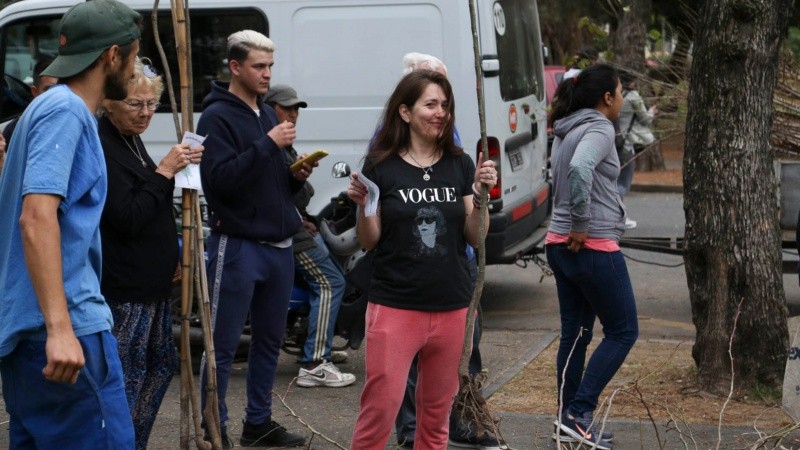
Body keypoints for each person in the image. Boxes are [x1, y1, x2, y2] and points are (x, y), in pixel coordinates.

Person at [0, 0, 141, 447]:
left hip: (28, 330)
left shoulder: (43, 108)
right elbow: (36, 216)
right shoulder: (67, 111)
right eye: (134, 58)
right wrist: (61, 329)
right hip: (63, 332)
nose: (135, 71)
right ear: (112, 56)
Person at [348, 69, 497, 449]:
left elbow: (475, 235)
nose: (440, 112)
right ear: (404, 112)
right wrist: (365, 204)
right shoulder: (380, 166)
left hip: (452, 308)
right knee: (379, 412)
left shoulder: (460, 164)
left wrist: (482, 195)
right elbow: (370, 241)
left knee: (435, 420)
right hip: (395, 307)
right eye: (430, 104)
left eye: (445, 105)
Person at [198, 30, 314, 448]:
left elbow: (269, 179)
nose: (267, 75)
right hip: (239, 246)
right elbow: (220, 182)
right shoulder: (216, 117)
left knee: (268, 343)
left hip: (279, 245)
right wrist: (268, 145)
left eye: (270, 67)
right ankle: (213, 427)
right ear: (235, 67)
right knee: (223, 345)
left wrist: (294, 173)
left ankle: (258, 423)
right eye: (258, 67)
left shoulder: (266, 112)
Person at [390, 52, 499, 450]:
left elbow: (470, 214)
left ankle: (459, 419)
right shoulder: (390, 145)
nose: (440, 107)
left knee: (465, 347)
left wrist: (479, 196)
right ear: (407, 101)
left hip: (457, 266)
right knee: (405, 359)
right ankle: (409, 427)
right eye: (430, 96)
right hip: (409, 277)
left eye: (444, 97)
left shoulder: (451, 145)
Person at [99, 56, 203, 450]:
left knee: (158, 368)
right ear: (110, 102)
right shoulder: (104, 146)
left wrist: (171, 254)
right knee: (125, 379)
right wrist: (164, 172)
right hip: (126, 293)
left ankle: (133, 443)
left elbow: (152, 207)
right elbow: (125, 217)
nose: (145, 113)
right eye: (135, 104)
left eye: (150, 104)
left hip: (152, 286)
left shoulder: (130, 137)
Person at [546, 63, 639, 450]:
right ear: (607, 98)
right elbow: (581, 169)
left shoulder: (566, 127)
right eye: (620, 92)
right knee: (623, 331)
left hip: (557, 243)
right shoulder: (600, 127)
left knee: (577, 334)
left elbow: (558, 179)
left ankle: (566, 419)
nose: (622, 98)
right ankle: (580, 413)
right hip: (590, 245)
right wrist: (582, 224)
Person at [263, 83, 356, 388]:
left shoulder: (284, 145)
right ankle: (315, 362)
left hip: (297, 224)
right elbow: (273, 196)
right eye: (286, 108)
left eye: (296, 109)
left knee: (336, 269)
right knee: (331, 282)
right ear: (268, 108)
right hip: (288, 232)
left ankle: (319, 342)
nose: (292, 114)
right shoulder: (269, 145)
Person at [617, 70, 657, 229]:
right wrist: (652, 112)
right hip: (626, 145)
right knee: (623, 183)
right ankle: (619, 217)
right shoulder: (634, 97)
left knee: (614, 180)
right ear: (631, 82)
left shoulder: (617, 95)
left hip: (615, 142)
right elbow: (645, 119)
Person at [3, 56, 59, 145]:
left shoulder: (76, 122)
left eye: (61, 89)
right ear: (35, 92)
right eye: (49, 89)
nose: (56, 95)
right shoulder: (16, 129)